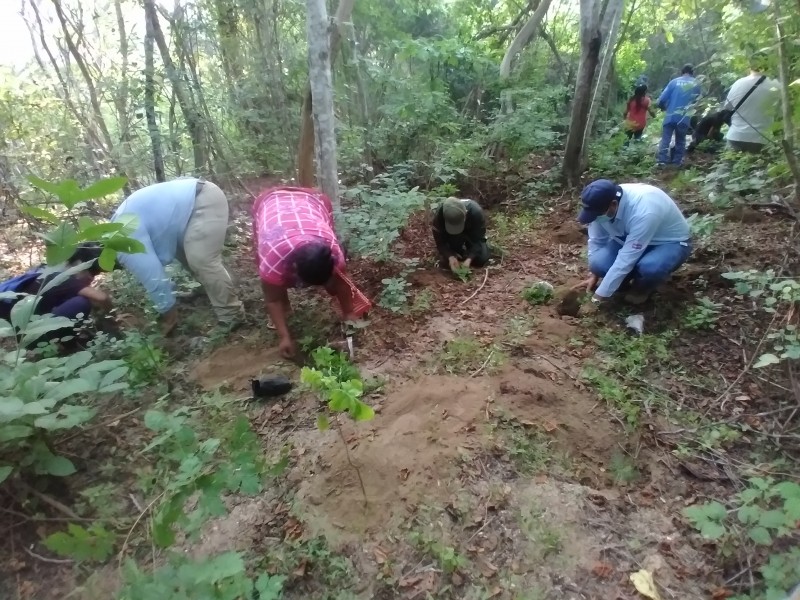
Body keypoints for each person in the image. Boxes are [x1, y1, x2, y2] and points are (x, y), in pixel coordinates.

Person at [111, 178, 243, 335]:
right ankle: (213, 289)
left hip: (201, 201)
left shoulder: (120, 240)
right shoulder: (115, 228)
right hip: (189, 206)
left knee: (201, 260)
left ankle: (231, 315)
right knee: (189, 257)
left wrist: (169, 318)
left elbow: (155, 280)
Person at [253, 186, 371, 359]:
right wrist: (284, 337)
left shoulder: (332, 252)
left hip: (311, 201)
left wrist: (349, 313)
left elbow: (342, 280)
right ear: (294, 268)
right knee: (277, 287)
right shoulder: (272, 257)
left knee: (336, 282)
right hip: (270, 204)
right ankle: (286, 309)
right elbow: (272, 299)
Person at [574, 179, 691, 305]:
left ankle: (641, 289)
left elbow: (626, 258)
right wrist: (594, 274)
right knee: (598, 264)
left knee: (650, 268)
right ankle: (622, 284)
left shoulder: (645, 209)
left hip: (667, 242)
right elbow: (597, 241)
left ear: (613, 204)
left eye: (597, 215)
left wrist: (598, 297)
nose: (595, 218)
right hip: (627, 238)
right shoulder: (600, 204)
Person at [0, 244, 113, 345]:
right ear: (79, 264)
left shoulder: (46, 270)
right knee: (81, 302)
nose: (92, 277)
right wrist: (113, 317)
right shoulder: (65, 279)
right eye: (92, 272)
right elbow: (102, 297)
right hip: (31, 337)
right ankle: (67, 344)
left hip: (21, 331)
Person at [724, 54, 779, 154]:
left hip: (736, 136)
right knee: (761, 168)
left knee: (727, 167)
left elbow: (727, 107)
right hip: (762, 138)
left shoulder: (738, 83)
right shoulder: (776, 85)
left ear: (750, 66)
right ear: (768, 64)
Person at [656, 64, 702, 167]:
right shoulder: (696, 84)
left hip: (670, 115)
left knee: (665, 139)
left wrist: (664, 107)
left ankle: (662, 161)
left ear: (682, 72)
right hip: (684, 117)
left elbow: (661, 100)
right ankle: (677, 162)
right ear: (692, 72)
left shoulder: (674, 82)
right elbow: (698, 102)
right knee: (681, 140)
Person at [432, 198, 489, 273]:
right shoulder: (439, 215)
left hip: (471, 233)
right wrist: (450, 256)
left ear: (466, 214)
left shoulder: (476, 212)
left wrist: (469, 259)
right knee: (445, 261)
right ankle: (458, 251)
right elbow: (440, 242)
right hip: (452, 236)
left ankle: (471, 249)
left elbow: (479, 239)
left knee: (481, 259)